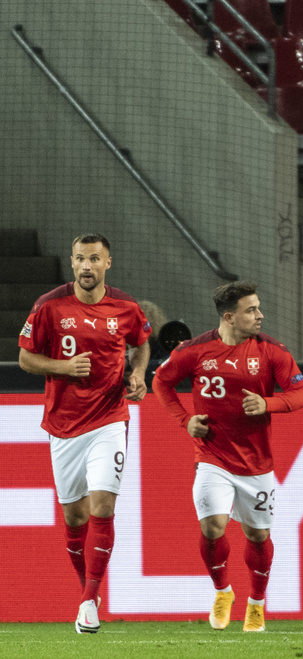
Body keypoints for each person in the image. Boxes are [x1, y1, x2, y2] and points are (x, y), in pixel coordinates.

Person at [152, 281, 303, 633]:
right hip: (212, 456)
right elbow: (161, 382)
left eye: (258, 308)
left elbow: (301, 394)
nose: (260, 315)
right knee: (212, 527)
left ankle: (257, 602)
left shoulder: (271, 351)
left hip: (256, 463)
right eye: (251, 310)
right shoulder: (195, 350)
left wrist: (268, 403)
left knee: (258, 536)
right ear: (229, 317)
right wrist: (185, 420)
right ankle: (223, 592)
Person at [18, 233, 151, 634]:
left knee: (103, 507)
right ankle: (87, 594)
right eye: (80, 259)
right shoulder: (49, 305)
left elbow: (141, 344)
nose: (86, 266)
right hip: (63, 424)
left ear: (108, 262)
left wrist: (139, 374)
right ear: (73, 262)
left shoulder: (126, 306)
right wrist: (63, 367)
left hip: (109, 418)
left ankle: (89, 601)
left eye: (94, 259)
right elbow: (25, 357)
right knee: (75, 519)